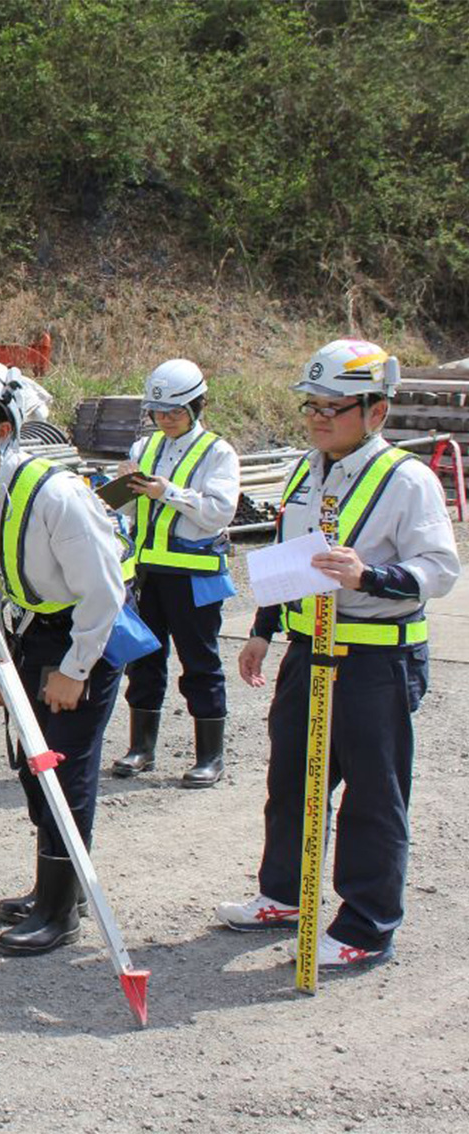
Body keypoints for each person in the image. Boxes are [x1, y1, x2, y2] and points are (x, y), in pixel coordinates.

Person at [219, 339, 459, 967]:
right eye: (312, 405)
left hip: (375, 661)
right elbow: (292, 556)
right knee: (293, 781)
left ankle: (366, 927)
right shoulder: (308, 468)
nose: (319, 417)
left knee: (373, 798)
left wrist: (369, 577)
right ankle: (285, 895)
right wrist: (264, 628)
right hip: (308, 650)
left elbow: (440, 569)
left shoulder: (408, 481)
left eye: (335, 406)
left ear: (376, 411)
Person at [0, 360, 129, 955]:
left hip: (84, 633)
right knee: (30, 764)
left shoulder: (57, 494)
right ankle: (59, 887)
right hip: (27, 631)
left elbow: (104, 592)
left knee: (63, 768)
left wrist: (76, 671)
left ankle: (60, 913)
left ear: (1, 427)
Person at [111, 359, 240, 786]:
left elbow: (219, 512)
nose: (165, 420)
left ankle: (210, 757)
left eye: (175, 412)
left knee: (200, 662)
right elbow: (128, 509)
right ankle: (141, 748)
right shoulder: (143, 449)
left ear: (197, 407)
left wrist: (168, 493)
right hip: (148, 574)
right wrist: (120, 487)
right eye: (159, 413)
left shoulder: (217, 452)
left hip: (193, 576)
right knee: (144, 659)